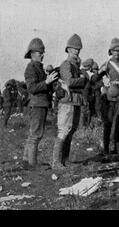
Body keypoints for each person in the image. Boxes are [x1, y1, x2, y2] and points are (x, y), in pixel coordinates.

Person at [51, 34, 87, 170]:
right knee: (64, 131)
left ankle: (64, 160)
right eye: (74, 49)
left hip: (75, 101)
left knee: (70, 131)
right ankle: (56, 162)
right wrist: (83, 79)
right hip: (67, 102)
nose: (77, 52)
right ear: (68, 50)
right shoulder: (66, 64)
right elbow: (70, 82)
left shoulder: (75, 65)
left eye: (78, 49)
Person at [23, 38, 58, 167]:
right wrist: (47, 82)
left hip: (40, 103)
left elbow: (41, 86)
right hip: (37, 104)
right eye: (39, 53)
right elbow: (32, 88)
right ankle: (32, 164)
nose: (42, 55)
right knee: (36, 134)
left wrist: (51, 82)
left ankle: (26, 160)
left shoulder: (38, 68)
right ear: (32, 54)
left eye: (42, 52)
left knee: (34, 132)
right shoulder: (31, 68)